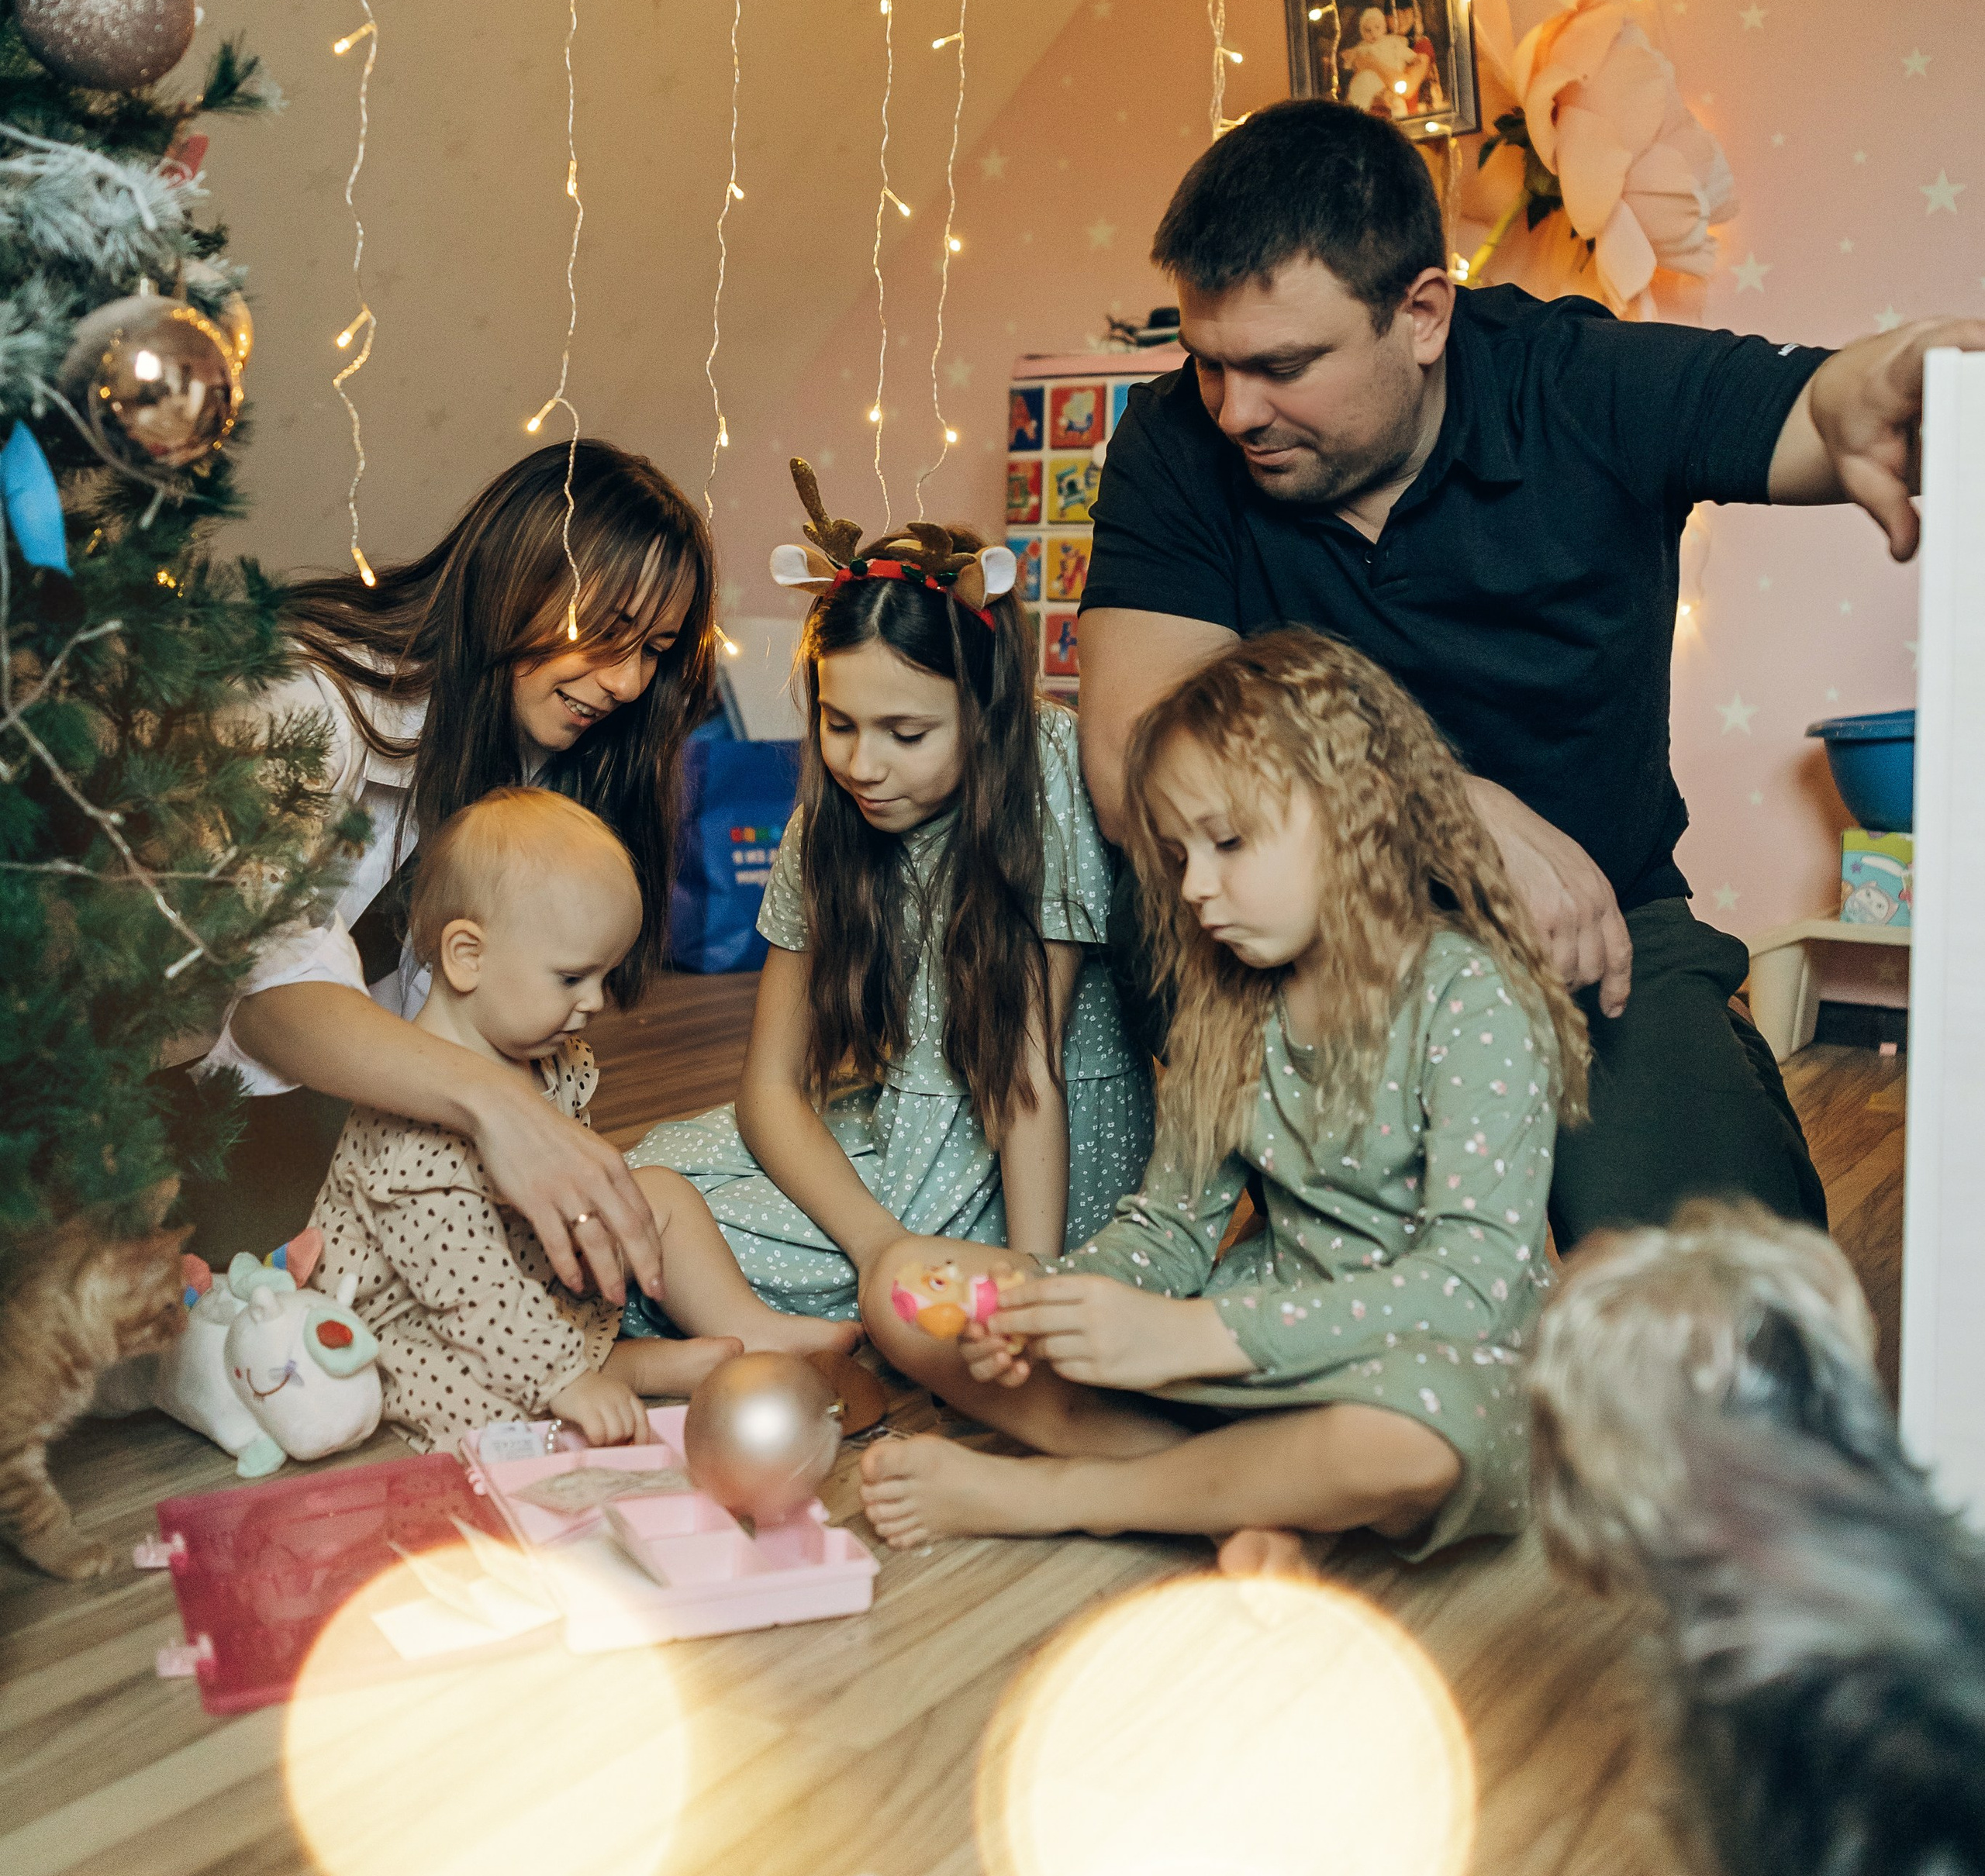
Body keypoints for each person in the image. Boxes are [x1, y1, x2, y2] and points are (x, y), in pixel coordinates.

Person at [1075, 97, 1985, 1245]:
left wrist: (1848, 397)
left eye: (1282, 366)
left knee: (1709, 1310)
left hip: (1598, 940)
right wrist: (1431, 803)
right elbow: (1130, 757)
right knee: (1379, 1307)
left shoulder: (1577, 378)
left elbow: (1803, 409)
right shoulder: (1177, 440)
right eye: (1206, 363)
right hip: (1311, 945)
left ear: (1420, 314)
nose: (1234, 409)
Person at [856, 630, 1586, 1560]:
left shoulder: (1473, 999)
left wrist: (1188, 1336)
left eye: (1228, 842)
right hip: (1245, 1338)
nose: (1195, 887)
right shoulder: (1231, 1001)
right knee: (907, 1290)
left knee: (1404, 1440)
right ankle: (1254, 1501)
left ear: (1352, 811)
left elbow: (1469, 1287)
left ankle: (1074, 1492)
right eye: (1178, 853)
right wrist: (1059, 1304)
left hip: (1423, 1364)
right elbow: (1168, 1230)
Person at [174, 439, 715, 1303]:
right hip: (171, 1112)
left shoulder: (540, 745)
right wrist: (496, 1109)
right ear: (515, 581)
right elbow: (262, 989)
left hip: (348, 1110)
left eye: (653, 648)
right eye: (608, 633)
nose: (626, 681)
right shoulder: (304, 694)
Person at [621, 484, 1153, 1324]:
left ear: (985, 714)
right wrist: (876, 1247)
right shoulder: (829, 814)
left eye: (906, 734)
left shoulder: (1044, 770)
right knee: (635, 1195)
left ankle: (758, 1325)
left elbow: (1024, 1079)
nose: (863, 764)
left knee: (660, 1256)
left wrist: (1030, 1291)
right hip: (895, 1133)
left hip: (1030, 1166)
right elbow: (770, 1087)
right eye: (839, 723)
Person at [312, 788, 860, 1450]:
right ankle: (614, 1367)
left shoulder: (547, 1057)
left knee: (656, 1191)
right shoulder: (413, 1133)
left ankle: (748, 1325)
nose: (596, 1000)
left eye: (604, 975)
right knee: (470, 1402)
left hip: (526, 1266)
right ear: (467, 956)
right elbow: (470, 1294)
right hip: (421, 1316)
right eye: (572, 978)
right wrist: (565, 1380)